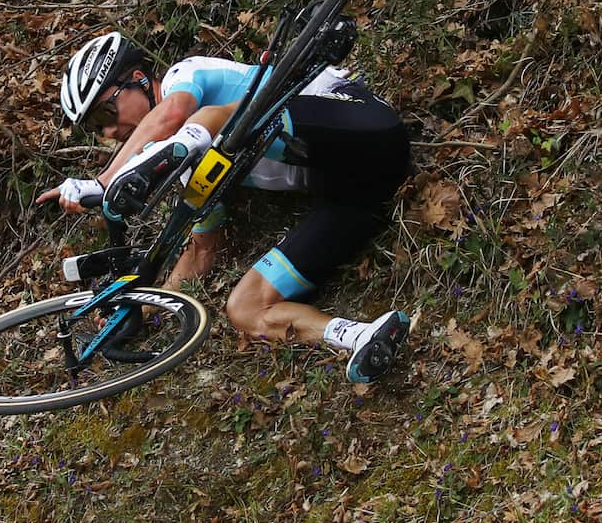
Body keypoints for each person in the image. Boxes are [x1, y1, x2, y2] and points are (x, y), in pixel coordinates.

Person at [36, 31, 413, 383]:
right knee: (245, 308)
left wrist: (102, 183)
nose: (107, 133)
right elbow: (203, 251)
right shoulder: (185, 171)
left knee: (206, 122)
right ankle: (359, 336)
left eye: (105, 114)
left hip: (359, 125)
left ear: (137, 79)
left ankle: (194, 141)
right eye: (95, 128)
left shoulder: (186, 76)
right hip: (355, 192)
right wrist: (139, 306)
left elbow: (172, 114)